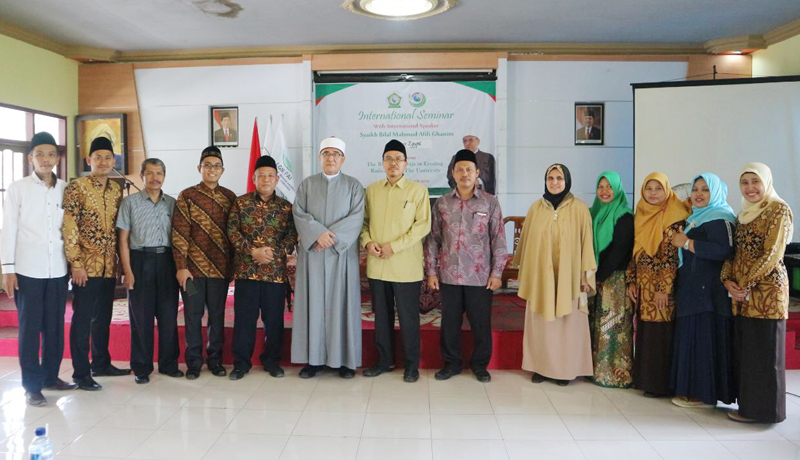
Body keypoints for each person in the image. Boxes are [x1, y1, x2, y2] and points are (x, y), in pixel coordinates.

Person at [1, 132, 77, 406]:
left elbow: (69, 230)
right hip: (27, 270)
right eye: (40, 154)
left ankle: (50, 377)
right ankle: (32, 385)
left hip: (57, 269)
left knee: (55, 327)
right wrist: (8, 269)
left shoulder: (66, 188)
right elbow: (8, 229)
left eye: (51, 154)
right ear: (31, 157)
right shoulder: (18, 188)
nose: (46, 160)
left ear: (58, 158)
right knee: (30, 329)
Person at [426, 149, 507, 382]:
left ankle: (480, 365)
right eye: (459, 169)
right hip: (449, 275)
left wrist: (497, 272)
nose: (464, 174)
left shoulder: (490, 202)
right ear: (453, 173)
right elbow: (433, 239)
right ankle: (451, 364)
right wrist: (431, 271)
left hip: (480, 277)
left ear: (477, 173)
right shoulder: (442, 203)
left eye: (469, 170)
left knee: (480, 323)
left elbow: (498, 239)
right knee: (449, 324)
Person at [722, 163, 793, 423]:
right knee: (749, 352)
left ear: (766, 182)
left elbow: (773, 254)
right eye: (745, 183)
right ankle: (749, 409)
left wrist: (745, 283)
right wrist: (727, 281)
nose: (750, 188)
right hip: (743, 294)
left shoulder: (778, 209)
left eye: (755, 182)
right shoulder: (743, 215)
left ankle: (767, 412)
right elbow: (735, 253)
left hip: (767, 293)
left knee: (766, 352)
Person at [515, 164, 596, 386]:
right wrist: (529, 273)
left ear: (567, 180)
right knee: (542, 324)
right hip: (542, 278)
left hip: (569, 277)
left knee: (567, 324)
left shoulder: (580, 209)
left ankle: (565, 370)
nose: (555, 182)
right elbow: (528, 244)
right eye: (550, 178)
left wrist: (584, 276)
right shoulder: (536, 208)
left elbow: (586, 243)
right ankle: (541, 367)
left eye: (559, 178)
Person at [292, 137, 365, 379]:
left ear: (343, 158)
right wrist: (317, 234)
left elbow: (356, 218)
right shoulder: (307, 185)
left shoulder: (354, 186)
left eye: (336, 154)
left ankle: (344, 361)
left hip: (340, 256)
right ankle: (313, 360)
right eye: (326, 153)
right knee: (312, 305)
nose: (331, 158)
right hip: (313, 254)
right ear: (320, 157)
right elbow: (298, 214)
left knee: (342, 305)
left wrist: (329, 238)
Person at [63, 136, 130, 391]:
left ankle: (101, 363)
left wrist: (121, 264)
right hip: (85, 268)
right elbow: (69, 226)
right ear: (89, 160)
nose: (103, 162)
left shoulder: (116, 189)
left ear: (114, 161)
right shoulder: (76, 187)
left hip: (108, 266)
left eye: (107, 157)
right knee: (82, 319)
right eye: (97, 157)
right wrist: (76, 263)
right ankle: (81, 373)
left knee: (103, 317)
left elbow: (120, 229)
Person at [361, 139, 431, 383]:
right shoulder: (371, 190)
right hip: (378, 265)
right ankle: (384, 361)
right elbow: (364, 223)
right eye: (388, 159)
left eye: (398, 159)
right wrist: (368, 242)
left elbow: (423, 226)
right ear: (382, 162)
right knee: (381, 317)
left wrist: (395, 246)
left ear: (406, 163)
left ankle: (411, 365)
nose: (393, 163)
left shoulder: (417, 191)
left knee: (409, 318)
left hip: (405, 267)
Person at [227, 155, 297, 380]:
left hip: (274, 275)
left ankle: (272, 361)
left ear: (277, 179)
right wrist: (252, 252)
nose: (266, 179)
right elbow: (233, 232)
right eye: (261, 176)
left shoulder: (286, 208)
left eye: (270, 176)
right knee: (244, 320)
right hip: (247, 273)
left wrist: (274, 254)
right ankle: (241, 363)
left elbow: (292, 237)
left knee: (274, 321)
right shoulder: (241, 203)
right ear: (253, 178)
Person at [670, 173, 737, 408]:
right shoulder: (696, 218)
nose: (698, 194)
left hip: (708, 292)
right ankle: (692, 391)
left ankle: (704, 394)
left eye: (705, 190)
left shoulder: (721, 218)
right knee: (692, 335)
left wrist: (687, 243)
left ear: (716, 193)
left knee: (704, 338)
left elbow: (724, 250)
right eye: (696, 189)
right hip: (693, 289)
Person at [171, 146, 237, 379]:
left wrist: (234, 267)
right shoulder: (187, 196)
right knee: (192, 317)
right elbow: (179, 234)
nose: (212, 169)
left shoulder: (230, 198)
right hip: (192, 271)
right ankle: (193, 363)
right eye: (207, 165)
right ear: (200, 168)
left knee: (217, 317)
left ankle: (216, 361)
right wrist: (181, 267)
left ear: (222, 170)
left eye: (216, 166)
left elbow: (235, 234)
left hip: (220, 270)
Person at [117, 158, 182, 384]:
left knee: (168, 316)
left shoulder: (172, 204)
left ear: (164, 176)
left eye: (159, 173)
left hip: (167, 261)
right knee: (141, 319)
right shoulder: (130, 203)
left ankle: (168, 364)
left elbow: (180, 239)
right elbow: (123, 240)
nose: (155, 177)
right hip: (139, 261)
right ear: (142, 175)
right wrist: (128, 271)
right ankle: (141, 367)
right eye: (150, 173)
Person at [626, 172, 690, 397]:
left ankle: (660, 385)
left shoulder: (673, 218)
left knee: (660, 334)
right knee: (646, 332)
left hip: (662, 289)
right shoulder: (641, 215)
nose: (653, 194)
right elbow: (633, 252)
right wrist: (631, 281)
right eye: (649, 188)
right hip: (642, 287)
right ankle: (645, 381)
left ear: (667, 191)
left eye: (658, 189)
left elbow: (671, 258)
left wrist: (664, 289)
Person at [588, 171, 634, 388]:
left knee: (613, 327)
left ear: (618, 190)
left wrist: (598, 276)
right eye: (601, 186)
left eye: (609, 187)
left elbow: (618, 253)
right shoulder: (595, 214)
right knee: (597, 326)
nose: (605, 191)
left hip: (614, 281)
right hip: (597, 279)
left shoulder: (625, 216)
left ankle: (616, 374)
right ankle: (596, 370)